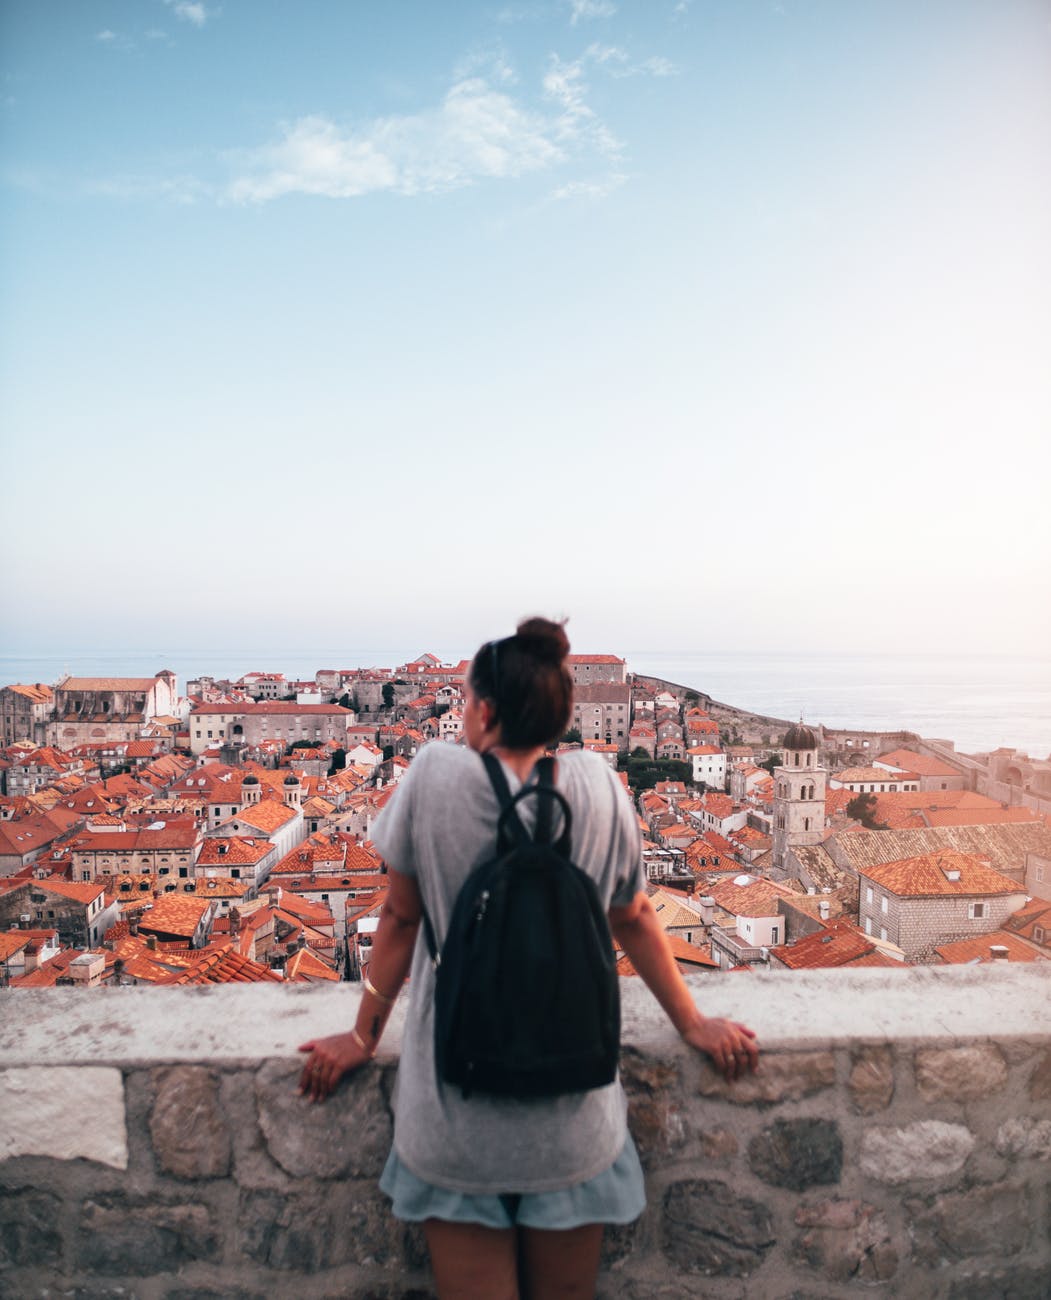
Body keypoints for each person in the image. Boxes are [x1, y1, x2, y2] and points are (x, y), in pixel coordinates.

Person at [298, 618, 759, 1299]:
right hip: (570, 1116)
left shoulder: (433, 777)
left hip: (455, 1115)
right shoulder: (599, 786)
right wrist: (690, 1023)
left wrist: (363, 1034)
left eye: (461, 701)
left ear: (482, 710)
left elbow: (398, 916)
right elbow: (631, 916)